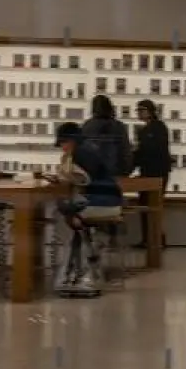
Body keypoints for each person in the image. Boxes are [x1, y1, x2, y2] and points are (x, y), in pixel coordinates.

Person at [51, 122, 124, 296]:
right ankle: (87, 269)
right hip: (111, 201)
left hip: (98, 202)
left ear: (71, 141)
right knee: (70, 216)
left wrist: (63, 177)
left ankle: (75, 274)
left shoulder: (79, 154)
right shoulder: (90, 150)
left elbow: (82, 179)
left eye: (63, 143)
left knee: (63, 216)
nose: (62, 148)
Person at [131, 99, 171, 248]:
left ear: (150, 111)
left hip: (156, 173)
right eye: (138, 110)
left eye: (142, 110)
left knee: (153, 206)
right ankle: (151, 239)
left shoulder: (157, 128)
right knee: (147, 206)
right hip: (149, 173)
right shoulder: (148, 130)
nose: (139, 113)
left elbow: (149, 152)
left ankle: (155, 239)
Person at [80, 93, 131, 178]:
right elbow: (126, 152)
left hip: (93, 174)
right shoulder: (119, 126)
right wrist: (126, 172)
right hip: (115, 174)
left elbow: (81, 152)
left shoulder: (87, 126)